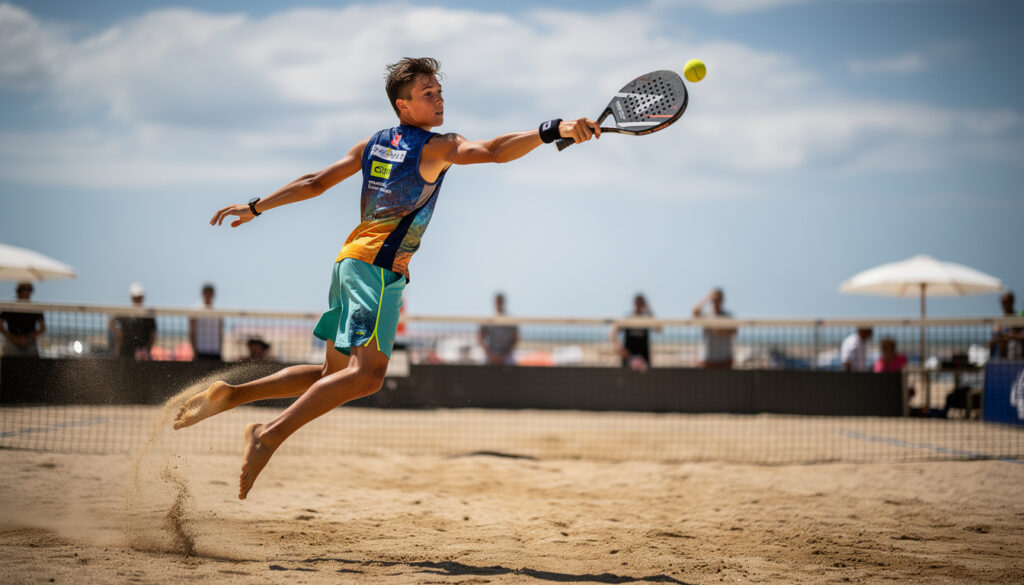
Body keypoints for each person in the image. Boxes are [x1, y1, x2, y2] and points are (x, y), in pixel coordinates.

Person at [171, 57, 599, 499]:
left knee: (332, 373)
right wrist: (554, 129)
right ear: (403, 105)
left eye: (439, 91)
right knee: (368, 376)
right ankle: (268, 435)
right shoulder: (438, 146)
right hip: (376, 269)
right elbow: (492, 151)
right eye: (427, 94)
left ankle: (233, 394)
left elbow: (316, 182)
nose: (438, 99)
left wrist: (257, 206)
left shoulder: (373, 144)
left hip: (351, 263)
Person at [612, 293, 658, 373]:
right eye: (637, 303)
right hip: (628, 359)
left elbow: (659, 329)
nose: (638, 305)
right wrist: (619, 348)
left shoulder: (647, 320)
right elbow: (613, 333)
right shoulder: (628, 319)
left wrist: (649, 311)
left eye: (641, 303)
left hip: (644, 359)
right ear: (634, 303)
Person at [109, 282, 157, 360]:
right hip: (125, 350)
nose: (138, 299)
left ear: (143, 297)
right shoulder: (125, 313)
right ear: (132, 297)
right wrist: (118, 333)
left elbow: (152, 334)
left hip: (141, 352)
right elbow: (110, 322)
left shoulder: (148, 315)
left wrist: (148, 350)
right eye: (136, 297)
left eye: (140, 297)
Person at [693, 288, 735, 369]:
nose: (716, 301)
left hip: (725, 359)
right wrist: (707, 298)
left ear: (722, 300)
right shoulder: (706, 315)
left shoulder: (728, 316)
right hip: (707, 359)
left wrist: (719, 330)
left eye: (718, 298)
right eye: (714, 299)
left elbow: (734, 331)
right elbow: (695, 312)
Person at [1, 282, 46, 357]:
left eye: (29, 289)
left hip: (30, 342)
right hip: (12, 341)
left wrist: (28, 339)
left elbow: (42, 328)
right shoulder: (9, 307)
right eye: (24, 289)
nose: (27, 291)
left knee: (34, 361)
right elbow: (0, 325)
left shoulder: (36, 308)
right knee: (8, 360)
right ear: (18, 291)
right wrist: (13, 339)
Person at [478, 292, 518, 366]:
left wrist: (504, 356)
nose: (499, 304)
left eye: (500, 302)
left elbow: (515, 339)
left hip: (506, 354)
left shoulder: (510, 320)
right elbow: (480, 337)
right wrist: (490, 355)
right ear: (494, 303)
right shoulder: (488, 319)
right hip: (490, 353)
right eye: (497, 302)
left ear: (504, 303)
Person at [189, 283, 223, 361]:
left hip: (215, 349)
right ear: (203, 294)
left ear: (213, 295)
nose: (208, 295)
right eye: (207, 293)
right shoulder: (196, 309)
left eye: (210, 293)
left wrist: (221, 348)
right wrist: (194, 349)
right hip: (201, 349)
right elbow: (191, 331)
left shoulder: (218, 311)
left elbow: (220, 332)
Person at [989, 291, 1023, 360]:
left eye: (1006, 302)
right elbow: (993, 340)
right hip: (997, 358)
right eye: (1002, 302)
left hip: (1012, 357)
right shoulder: (999, 322)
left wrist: (1007, 336)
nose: (1004, 304)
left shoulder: (1018, 319)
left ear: (1012, 302)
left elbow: (1020, 336)